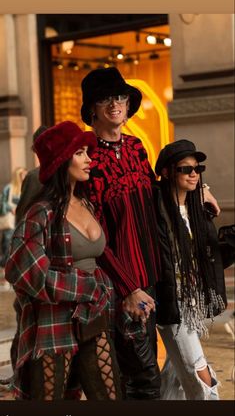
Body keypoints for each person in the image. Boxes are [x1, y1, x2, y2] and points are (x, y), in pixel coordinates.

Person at [80, 67, 220, 400]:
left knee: (180, 364)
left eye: (120, 97)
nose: (115, 104)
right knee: (142, 381)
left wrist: (202, 193)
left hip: (161, 274)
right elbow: (95, 236)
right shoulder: (89, 160)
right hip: (126, 286)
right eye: (105, 99)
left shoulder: (137, 148)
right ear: (92, 109)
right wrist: (128, 288)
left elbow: (160, 195)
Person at [4, 121, 122, 400]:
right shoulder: (41, 212)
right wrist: (85, 287)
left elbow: (100, 259)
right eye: (80, 153)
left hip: (92, 314)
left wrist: (104, 289)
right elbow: (22, 270)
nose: (88, 159)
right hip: (53, 323)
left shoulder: (88, 204)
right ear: (61, 160)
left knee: (111, 396)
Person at [152, 139, 227, 400]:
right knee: (202, 380)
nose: (194, 174)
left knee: (174, 384)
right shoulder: (155, 208)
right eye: (185, 169)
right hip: (171, 304)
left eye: (197, 168)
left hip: (192, 304)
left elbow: (207, 255)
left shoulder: (196, 210)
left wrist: (205, 192)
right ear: (167, 172)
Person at [0, 167, 27, 267]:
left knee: (20, 243)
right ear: (18, 176)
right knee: (8, 242)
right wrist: (11, 208)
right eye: (23, 174)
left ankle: (15, 265)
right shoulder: (9, 188)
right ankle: (6, 265)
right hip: (11, 220)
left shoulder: (25, 188)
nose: (25, 176)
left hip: (21, 219)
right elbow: (2, 203)